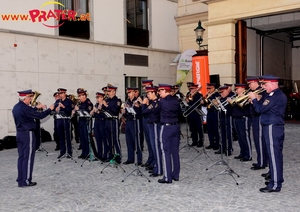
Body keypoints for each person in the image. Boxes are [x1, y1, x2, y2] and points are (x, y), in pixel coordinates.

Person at [248, 75, 287, 193]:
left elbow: (260, 110)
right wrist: (257, 101)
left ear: (271, 83)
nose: (263, 87)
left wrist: (254, 99)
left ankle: (275, 184)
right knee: (275, 156)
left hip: (272, 127)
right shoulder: (275, 95)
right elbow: (262, 107)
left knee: (274, 157)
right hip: (273, 127)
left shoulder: (275, 95)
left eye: (264, 84)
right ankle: (276, 179)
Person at [12, 89, 54, 187]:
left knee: (21, 157)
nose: (31, 99)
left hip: (20, 133)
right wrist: (49, 109)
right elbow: (40, 116)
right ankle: (26, 180)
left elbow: (28, 112)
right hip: (27, 134)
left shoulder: (16, 107)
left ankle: (20, 179)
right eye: (30, 97)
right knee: (28, 157)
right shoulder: (25, 108)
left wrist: (36, 107)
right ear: (25, 98)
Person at [157, 84, 181, 183]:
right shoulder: (176, 100)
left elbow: (156, 112)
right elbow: (179, 113)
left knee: (165, 151)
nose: (159, 93)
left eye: (160, 91)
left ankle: (167, 177)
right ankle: (176, 174)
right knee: (175, 151)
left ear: (165, 90)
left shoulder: (162, 102)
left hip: (166, 127)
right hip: (176, 126)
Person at [246, 77, 268, 170]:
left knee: (259, 140)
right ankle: (261, 160)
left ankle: (262, 163)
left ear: (255, 83)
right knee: (257, 140)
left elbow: (262, 105)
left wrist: (255, 100)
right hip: (254, 117)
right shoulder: (254, 92)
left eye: (250, 84)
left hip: (259, 117)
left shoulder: (261, 91)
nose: (249, 86)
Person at [142, 86, 162, 177]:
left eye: (149, 93)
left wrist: (143, 104)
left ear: (154, 93)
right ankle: (156, 166)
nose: (147, 95)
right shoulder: (152, 103)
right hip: (151, 124)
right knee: (153, 146)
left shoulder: (155, 103)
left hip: (154, 125)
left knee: (156, 147)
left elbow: (144, 112)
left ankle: (158, 169)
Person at [229, 84, 252, 161]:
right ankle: (242, 152)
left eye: (237, 89)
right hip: (236, 118)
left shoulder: (246, 96)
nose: (236, 90)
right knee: (240, 137)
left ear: (242, 88)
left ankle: (248, 155)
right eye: (235, 89)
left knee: (245, 137)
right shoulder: (236, 96)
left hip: (244, 118)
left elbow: (244, 106)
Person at [122, 87, 143, 165]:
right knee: (129, 140)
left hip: (135, 121)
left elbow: (141, 113)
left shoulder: (138, 101)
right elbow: (125, 113)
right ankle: (130, 158)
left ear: (134, 93)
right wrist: (124, 111)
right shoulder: (127, 101)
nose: (128, 94)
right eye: (128, 93)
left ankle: (139, 160)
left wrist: (138, 107)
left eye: (130, 92)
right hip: (128, 122)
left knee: (137, 141)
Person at [102, 85, 122, 163]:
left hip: (114, 121)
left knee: (115, 139)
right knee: (109, 139)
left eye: (109, 91)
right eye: (108, 91)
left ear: (114, 92)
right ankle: (110, 155)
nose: (108, 93)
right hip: (107, 121)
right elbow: (103, 111)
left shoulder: (117, 100)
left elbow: (115, 110)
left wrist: (106, 106)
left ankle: (118, 156)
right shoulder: (107, 100)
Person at [73, 88, 93, 159]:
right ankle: (83, 153)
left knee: (86, 138)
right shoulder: (80, 103)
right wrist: (74, 111)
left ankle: (87, 153)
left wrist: (79, 110)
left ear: (84, 96)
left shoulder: (88, 103)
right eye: (78, 96)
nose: (79, 98)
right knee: (82, 138)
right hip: (81, 121)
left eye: (80, 96)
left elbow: (88, 112)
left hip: (86, 122)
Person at [214, 85, 234, 156]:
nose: (221, 94)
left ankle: (229, 149)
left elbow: (233, 106)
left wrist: (230, 102)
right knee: (222, 134)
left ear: (226, 90)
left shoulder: (230, 97)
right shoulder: (221, 98)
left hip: (228, 117)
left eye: (222, 92)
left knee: (228, 134)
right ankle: (222, 148)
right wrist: (216, 103)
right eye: (220, 92)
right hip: (221, 117)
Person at [55, 88, 74, 159]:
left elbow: (70, 110)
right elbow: (54, 110)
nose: (60, 95)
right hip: (59, 120)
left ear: (65, 93)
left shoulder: (69, 101)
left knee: (68, 136)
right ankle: (62, 152)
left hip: (66, 120)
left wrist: (64, 107)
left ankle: (69, 152)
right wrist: (56, 109)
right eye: (59, 94)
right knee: (61, 137)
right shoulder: (57, 101)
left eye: (61, 93)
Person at [140, 80, 155, 168]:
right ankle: (150, 158)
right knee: (148, 141)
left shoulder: (152, 97)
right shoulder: (145, 96)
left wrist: (143, 104)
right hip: (145, 120)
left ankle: (154, 161)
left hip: (150, 120)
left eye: (145, 86)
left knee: (152, 141)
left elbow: (145, 111)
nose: (144, 88)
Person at [91, 92, 107, 161]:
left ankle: (105, 155)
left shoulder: (104, 104)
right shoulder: (96, 104)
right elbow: (93, 113)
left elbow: (104, 113)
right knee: (98, 139)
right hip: (97, 121)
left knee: (104, 139)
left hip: (102, 121)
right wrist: (93, 112)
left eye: (98, 97)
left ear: (102, 98)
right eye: (96, 97)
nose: (97, 99)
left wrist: (97, 111)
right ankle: (99, 155)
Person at [204, 83, 220, 150]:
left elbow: (217, 103)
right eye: (207, 88)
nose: (208, 90)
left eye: (209, 88)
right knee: (209, 129)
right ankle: (211, 143)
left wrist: (211, 97)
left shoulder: (217, 94)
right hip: (209, 112)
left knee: (215, 129)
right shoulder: (208, 95)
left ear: (213, 88)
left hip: (215, 113)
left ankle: (217, 144)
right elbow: (205, 103)